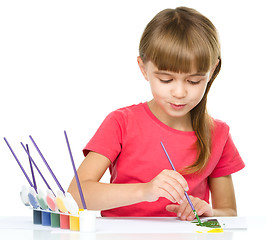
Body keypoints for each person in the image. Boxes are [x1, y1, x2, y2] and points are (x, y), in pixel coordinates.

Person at [68, 6, 245, 221]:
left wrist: (208, 211)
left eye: (194, 81)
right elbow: (77, 195)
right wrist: (146, 191)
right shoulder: (122, 123)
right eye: (166, 80)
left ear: (213, 70)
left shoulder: (218, 134)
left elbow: (229, 212)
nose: (179, 93)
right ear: (143, 68)